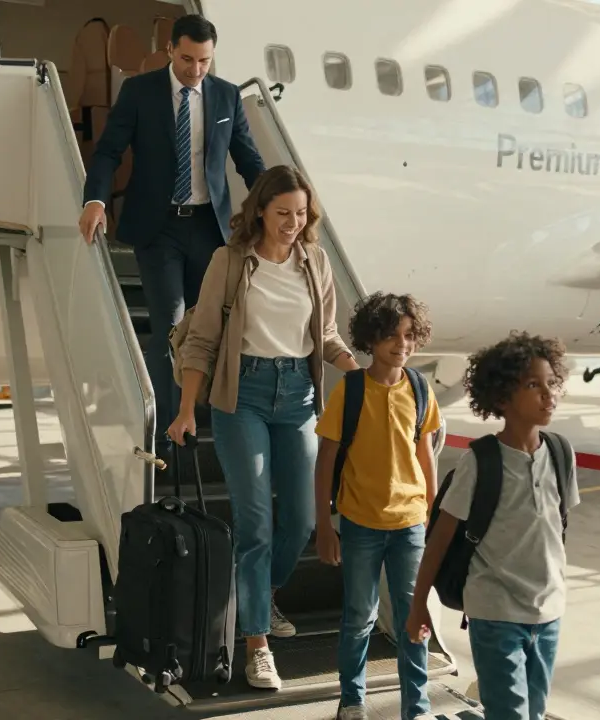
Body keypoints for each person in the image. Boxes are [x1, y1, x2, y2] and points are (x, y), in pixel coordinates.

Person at [169, 165, 359, 690]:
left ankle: (261, 594)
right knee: (255, 523)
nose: (292, 224)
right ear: (259, 211)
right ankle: (257, 644)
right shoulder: (229, 262)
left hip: (298, 396)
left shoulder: (314, 261)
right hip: (242, 396)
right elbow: (201, 339)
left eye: (300, 214)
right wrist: (187, 408)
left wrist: (364, 376)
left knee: (300, 520)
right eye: (282, 214)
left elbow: (325, 336)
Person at [78, 13, 265, 443]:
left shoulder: (225, 97)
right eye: (186, 59)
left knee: (207, 329)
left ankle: (207, 417)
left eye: (203, 61)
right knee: (170, 323)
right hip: (157, 227)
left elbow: (249, 160)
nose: (195, 70)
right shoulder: (139, 91)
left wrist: (280, 205)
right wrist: (95, 200)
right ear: (169, 51)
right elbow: (108, 151)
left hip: (209, 228)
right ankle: (167, 427)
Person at [407, 332, 578, 720]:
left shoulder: (561, 453)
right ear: (501, 398)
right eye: (533, 385)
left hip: (549, 611)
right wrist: (418, 607)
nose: (548, 393)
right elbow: (439, 540)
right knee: (510, 715)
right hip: (495, 612)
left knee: (533, 714)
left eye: (551, 383)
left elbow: (556, 530)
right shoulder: (480, 462)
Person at [312, 292, 443, 720]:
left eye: (408, 336)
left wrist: (432, 514)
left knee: (413, 619)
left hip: (410, 525)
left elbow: (426, 457)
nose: (401, 344)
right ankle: (352, 699)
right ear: (371, 339)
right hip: (360, 524)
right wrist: (325, 526)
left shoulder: (421, 389)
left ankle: (416, 707)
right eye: (390, 335)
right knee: (358, 617)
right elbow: (326, 459)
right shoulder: (350, 391)